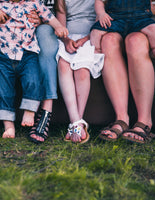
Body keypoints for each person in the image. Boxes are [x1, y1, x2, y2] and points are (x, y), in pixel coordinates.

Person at [0, 0, 68, 139]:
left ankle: (30, 111)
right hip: (4, 54)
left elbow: (49, 15)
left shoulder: (33, 3)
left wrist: (58, 26)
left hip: (27, 52)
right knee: (3, 90)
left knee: (33, 81)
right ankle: (8, 126)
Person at [96, 0, 155, 144]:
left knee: (135, 41)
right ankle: (121, 118)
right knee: (109, 40)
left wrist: (145, 8)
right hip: (123, 26)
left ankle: (144, 122)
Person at [55, 0, 104, 143]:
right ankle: (75, 121)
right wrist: (66, 40)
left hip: (91, 38)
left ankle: (78, 120)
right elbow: (61, 25)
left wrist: (85, 39)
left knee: (82, 69)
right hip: (68, 38)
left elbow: (101, 21)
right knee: (63, 64)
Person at [90, 0, 155, 62]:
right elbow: (99, 1)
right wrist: (101, 13)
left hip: (140, 18)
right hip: (115, 19)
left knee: (153, 28)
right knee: (96, 31)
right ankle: (97, 51)